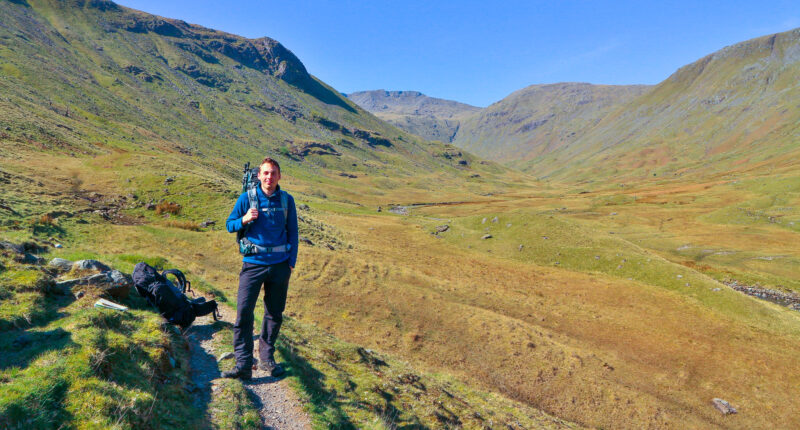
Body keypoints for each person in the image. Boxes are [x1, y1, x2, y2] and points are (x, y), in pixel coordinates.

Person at [222, 157, 298, 380]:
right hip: (253, 266)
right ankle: (243, 364)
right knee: (244, 314)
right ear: (259, 176)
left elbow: (293, 231)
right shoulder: (246, 198)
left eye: (273, 173)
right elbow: (229, 224)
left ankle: (266, 359)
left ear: (279, 176)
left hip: (280, 267)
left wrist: (290, 262)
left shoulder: (287, 200)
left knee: (274, 315)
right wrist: (244, 219)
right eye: (265, 173)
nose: (269, 177)